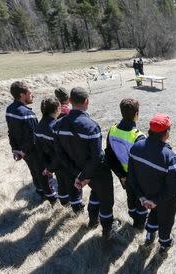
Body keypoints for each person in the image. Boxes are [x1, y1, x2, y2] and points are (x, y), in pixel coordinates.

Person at [53, 87, 118, 238]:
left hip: (78, 169)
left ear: (70, 101)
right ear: (87, 102)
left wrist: (79, 175)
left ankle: (93, 221)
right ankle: (108, 229)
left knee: (95, 193)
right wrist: (85, 176)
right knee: (106, 201)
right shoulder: (91, 126)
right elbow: (95, 157)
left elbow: (60, 154)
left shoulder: (57, 125)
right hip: (97, 171)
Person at [128, 114, 176, 255]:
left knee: (152, 215)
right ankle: (164, 244)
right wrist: (155, 201)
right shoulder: (170, 157)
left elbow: (131, 177)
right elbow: (172, 189)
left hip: (145, 196)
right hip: (163, 200)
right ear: (167, 132)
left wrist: (142, 198)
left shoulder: (136, 147)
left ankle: (149, 236)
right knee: (166, 221)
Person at [5, 81, 55, 201]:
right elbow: (34, 137)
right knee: (44, 175)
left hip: (23, 152)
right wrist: (23, 150)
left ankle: (40, 193)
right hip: (33, 151)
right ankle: (51, 199)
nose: (33, 95)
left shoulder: (9, 110)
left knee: (34, 173)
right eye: (30, 93)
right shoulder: (27, 114)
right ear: (22, 95)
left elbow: (10, 132)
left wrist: (15, 149)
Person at [105, 98, 147, 230]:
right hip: (138, 178)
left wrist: (121, 175)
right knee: (141, 201)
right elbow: (143, 163)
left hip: (124, 176)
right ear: (136, 114)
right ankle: (140, 224)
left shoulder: (112, 130)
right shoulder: (138, 136)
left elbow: (109, 156)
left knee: (131, 198)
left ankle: (134, 219)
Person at [35, 97, 75, 206]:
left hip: (51, 163)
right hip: (63, 163)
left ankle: (64, 202)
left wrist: (48, 166)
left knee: (61, 183)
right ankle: (76, 205)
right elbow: (62, 150)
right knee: (71, 184)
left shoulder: (38, 127)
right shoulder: (56, 127)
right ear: (57, 109)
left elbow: (39, 150)